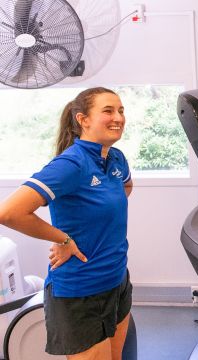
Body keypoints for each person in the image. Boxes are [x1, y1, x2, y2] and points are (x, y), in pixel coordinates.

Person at [0, 87, 133, 360]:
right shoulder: (71, 164)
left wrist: (87, 221)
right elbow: (10, 212)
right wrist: (63, 238)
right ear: (83, 119)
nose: (118, 117)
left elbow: (125, 187)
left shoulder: (116, 157)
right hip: (81, 291)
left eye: (120, 110)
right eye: (108, 110)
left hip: (117, 279)